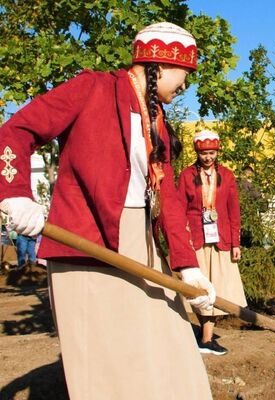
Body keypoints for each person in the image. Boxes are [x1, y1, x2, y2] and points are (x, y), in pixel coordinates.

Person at [0, 22, 215, 399]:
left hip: (142, 244)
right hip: (87, 243)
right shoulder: (92, 88)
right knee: (110, 361)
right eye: (186, 74)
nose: (186, 85)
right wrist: (15, 194)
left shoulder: (158, 122)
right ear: (160, 65)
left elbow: (168, 199)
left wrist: (188, 266)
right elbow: (16, 131)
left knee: (171, 344)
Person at [178, 129, 248, 355]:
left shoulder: (227, 176)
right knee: (197, 288)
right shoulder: (187, 175)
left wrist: (236, 243)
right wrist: (181, 239)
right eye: (204, 153)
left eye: (212, 153)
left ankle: (206, 338)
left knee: (216, 288)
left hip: (221, 240)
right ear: (197, 153)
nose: (208, 157)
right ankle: (205, 337)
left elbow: (233, 211)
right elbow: (179, 209)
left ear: (217, 151)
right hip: (196, 239)